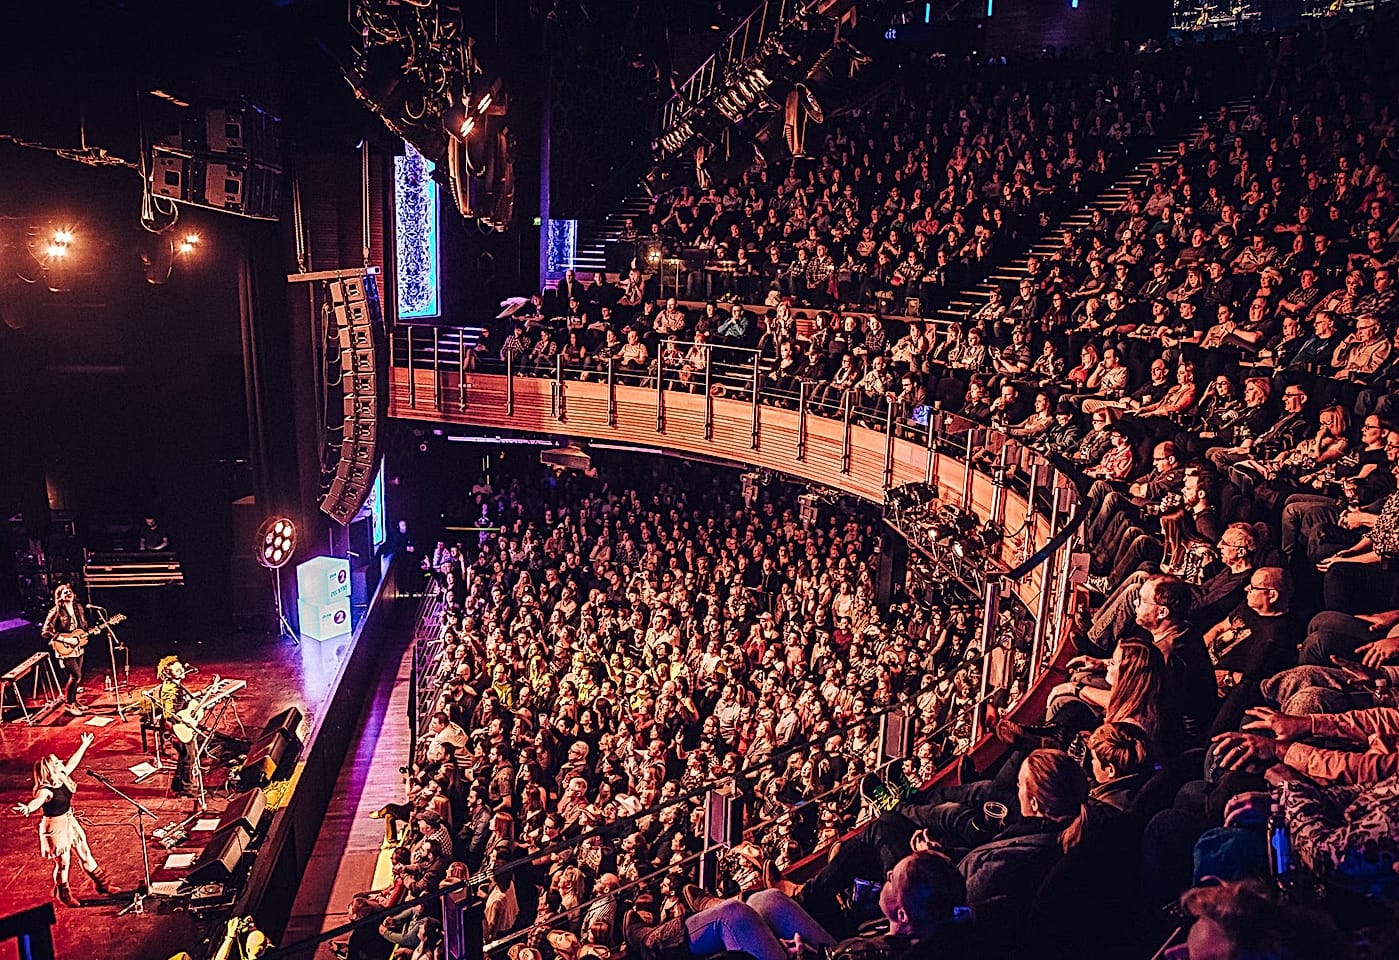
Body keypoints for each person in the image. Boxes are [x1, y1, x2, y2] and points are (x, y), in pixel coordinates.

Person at [11, 732, 112, 905]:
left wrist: (84, 745)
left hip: (69, 820)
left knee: (84, 851)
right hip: (54, 827)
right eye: (57, 762)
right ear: (50, 769)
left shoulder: (61, 776)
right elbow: (37, 802)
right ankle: (63, 893)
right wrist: (28, 808)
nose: (61, 763)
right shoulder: (45, 789)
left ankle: (103, 884)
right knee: (64, 863)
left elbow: (72, 762)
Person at [40, 583, 91, 715]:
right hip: (64, 646)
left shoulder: (78, 608)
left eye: (69, 591)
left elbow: (82, 626)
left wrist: (90, 631)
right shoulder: (56, 611)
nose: (68, 593)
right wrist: (64, 639)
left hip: (78, 645)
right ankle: (68, 704)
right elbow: (45, 631)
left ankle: (74, 702)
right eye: (64, 592)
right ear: (59, 597)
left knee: (77, 677)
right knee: (75, 675)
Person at [156, 656, 199, 796]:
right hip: (177, 728)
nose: (182, 671)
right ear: (168, 673)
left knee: (184, 756)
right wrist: (182, 723)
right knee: (189, 757)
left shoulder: (175, 685)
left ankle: (177, 785)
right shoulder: (170, 690)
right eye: (177, 670)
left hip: (179, 725)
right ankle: (186, 789)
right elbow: (169, 714)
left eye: (181, 668)